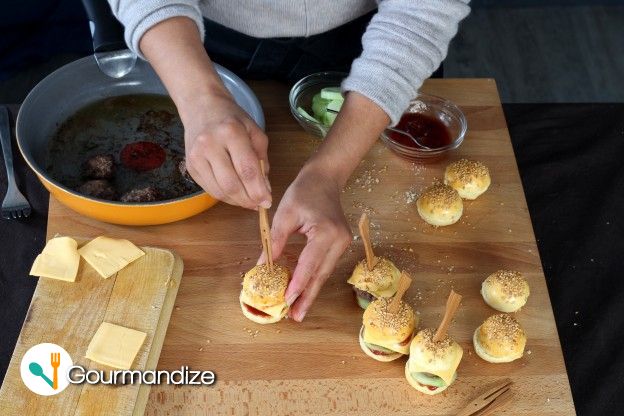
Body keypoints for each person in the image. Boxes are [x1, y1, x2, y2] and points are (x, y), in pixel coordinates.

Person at [107, 0, 471, 321]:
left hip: (375, 49)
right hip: (193, 43)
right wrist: (200, 99)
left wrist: (328, 173)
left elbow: (424, 9)